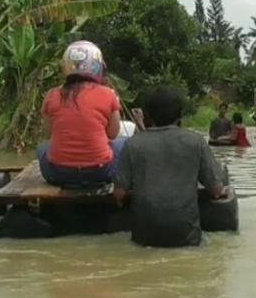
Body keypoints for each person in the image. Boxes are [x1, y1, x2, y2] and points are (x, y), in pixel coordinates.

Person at [112, 86, 228, 248]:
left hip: (145, 237)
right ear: (180, 115)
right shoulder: (196, 142)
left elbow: (119, 193)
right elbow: (216, 190)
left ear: (147, 115)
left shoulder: (132, 144)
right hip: (186, 236)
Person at [37, 41, 125, 187]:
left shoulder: (51, 94)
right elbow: (113, 134)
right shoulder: (108, 94)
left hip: (59, 174)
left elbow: (49, 134)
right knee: (122, 143)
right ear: (97, 66)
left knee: (43, 148)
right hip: (100, 172)